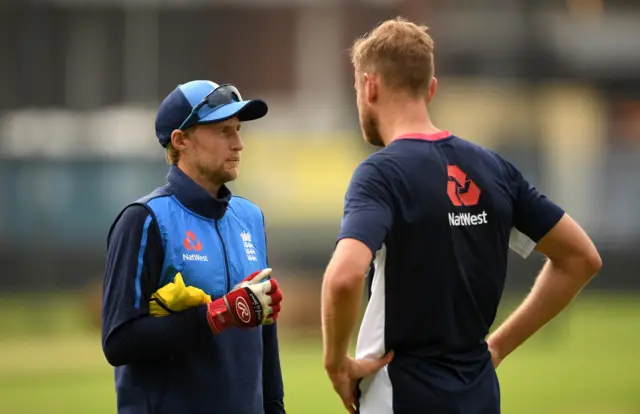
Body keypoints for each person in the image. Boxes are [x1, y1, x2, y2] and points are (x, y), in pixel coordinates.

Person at [320, 17, 602, 414]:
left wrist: (336, 363)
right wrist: (498, 345)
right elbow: (581, 258)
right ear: (430, 89)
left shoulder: (380, 173)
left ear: (369, 86)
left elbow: (344, 276)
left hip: (401, 396)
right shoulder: (494, 168)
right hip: (480, 397)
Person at [101, 80, 285, 414]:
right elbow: (118, 342)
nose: (239, 143)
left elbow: (264, 338)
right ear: (181, 140)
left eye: (238, 129)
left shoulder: (250, 217)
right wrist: (217, 315)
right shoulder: (144, 220)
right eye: (223, 131)